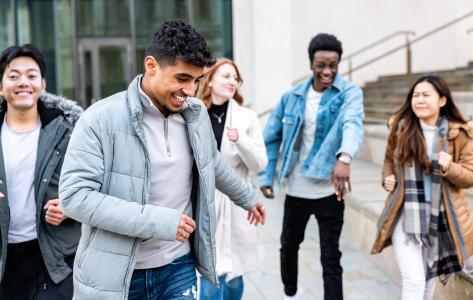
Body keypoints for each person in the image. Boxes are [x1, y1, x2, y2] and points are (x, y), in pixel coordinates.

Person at [59, 19, 266, 300]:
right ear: (151, 65)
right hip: (115, 276)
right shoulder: (98, 119)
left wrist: (247, 197)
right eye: (182, 79)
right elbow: (75, 197)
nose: (191, 91)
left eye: (196, 80)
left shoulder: (195, 114)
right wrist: (161, 222)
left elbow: (212, 163)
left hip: (178, 266)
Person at [259, 33, 364, 300]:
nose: (327, 71)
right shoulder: (292, 96)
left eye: (333, 65)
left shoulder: (350, 93)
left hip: (330, 190)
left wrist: (345, 157)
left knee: (331, 256)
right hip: (296, 188)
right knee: (288, 246)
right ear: (311, 64)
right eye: (321, 65)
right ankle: (291, 293)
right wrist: (267, 175)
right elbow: (272, 137)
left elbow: (353, 123)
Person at [371, 75, 473, 300]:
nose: (419, 100)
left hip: (440, 219)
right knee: (413, 280)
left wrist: (451, 167)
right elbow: (389, 160)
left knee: (428, 282)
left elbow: (472, 177)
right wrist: (388, 177)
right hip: (405, 216)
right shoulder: (400, 129)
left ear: (442, 100)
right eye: (415, 95)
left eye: (426, 95)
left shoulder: (458, 134)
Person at [0, 44, 83, 299]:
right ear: (1, 87)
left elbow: (94, 186)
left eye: (31, 75)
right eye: (13, 76)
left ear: (43, 85)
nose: (23, 82)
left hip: (54, 258)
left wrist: (70, 207)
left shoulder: (69, 132)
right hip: (5, 261)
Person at [196, 58, 268, 300]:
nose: (232, 82)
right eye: (226, 76)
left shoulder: (246, 116)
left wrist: (240, 141)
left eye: (235, 78)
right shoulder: (195, 113)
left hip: (236, 200)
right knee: (210, 275)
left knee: (234, 277)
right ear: (211, 79)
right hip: (204, 200)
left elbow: (259, 163)